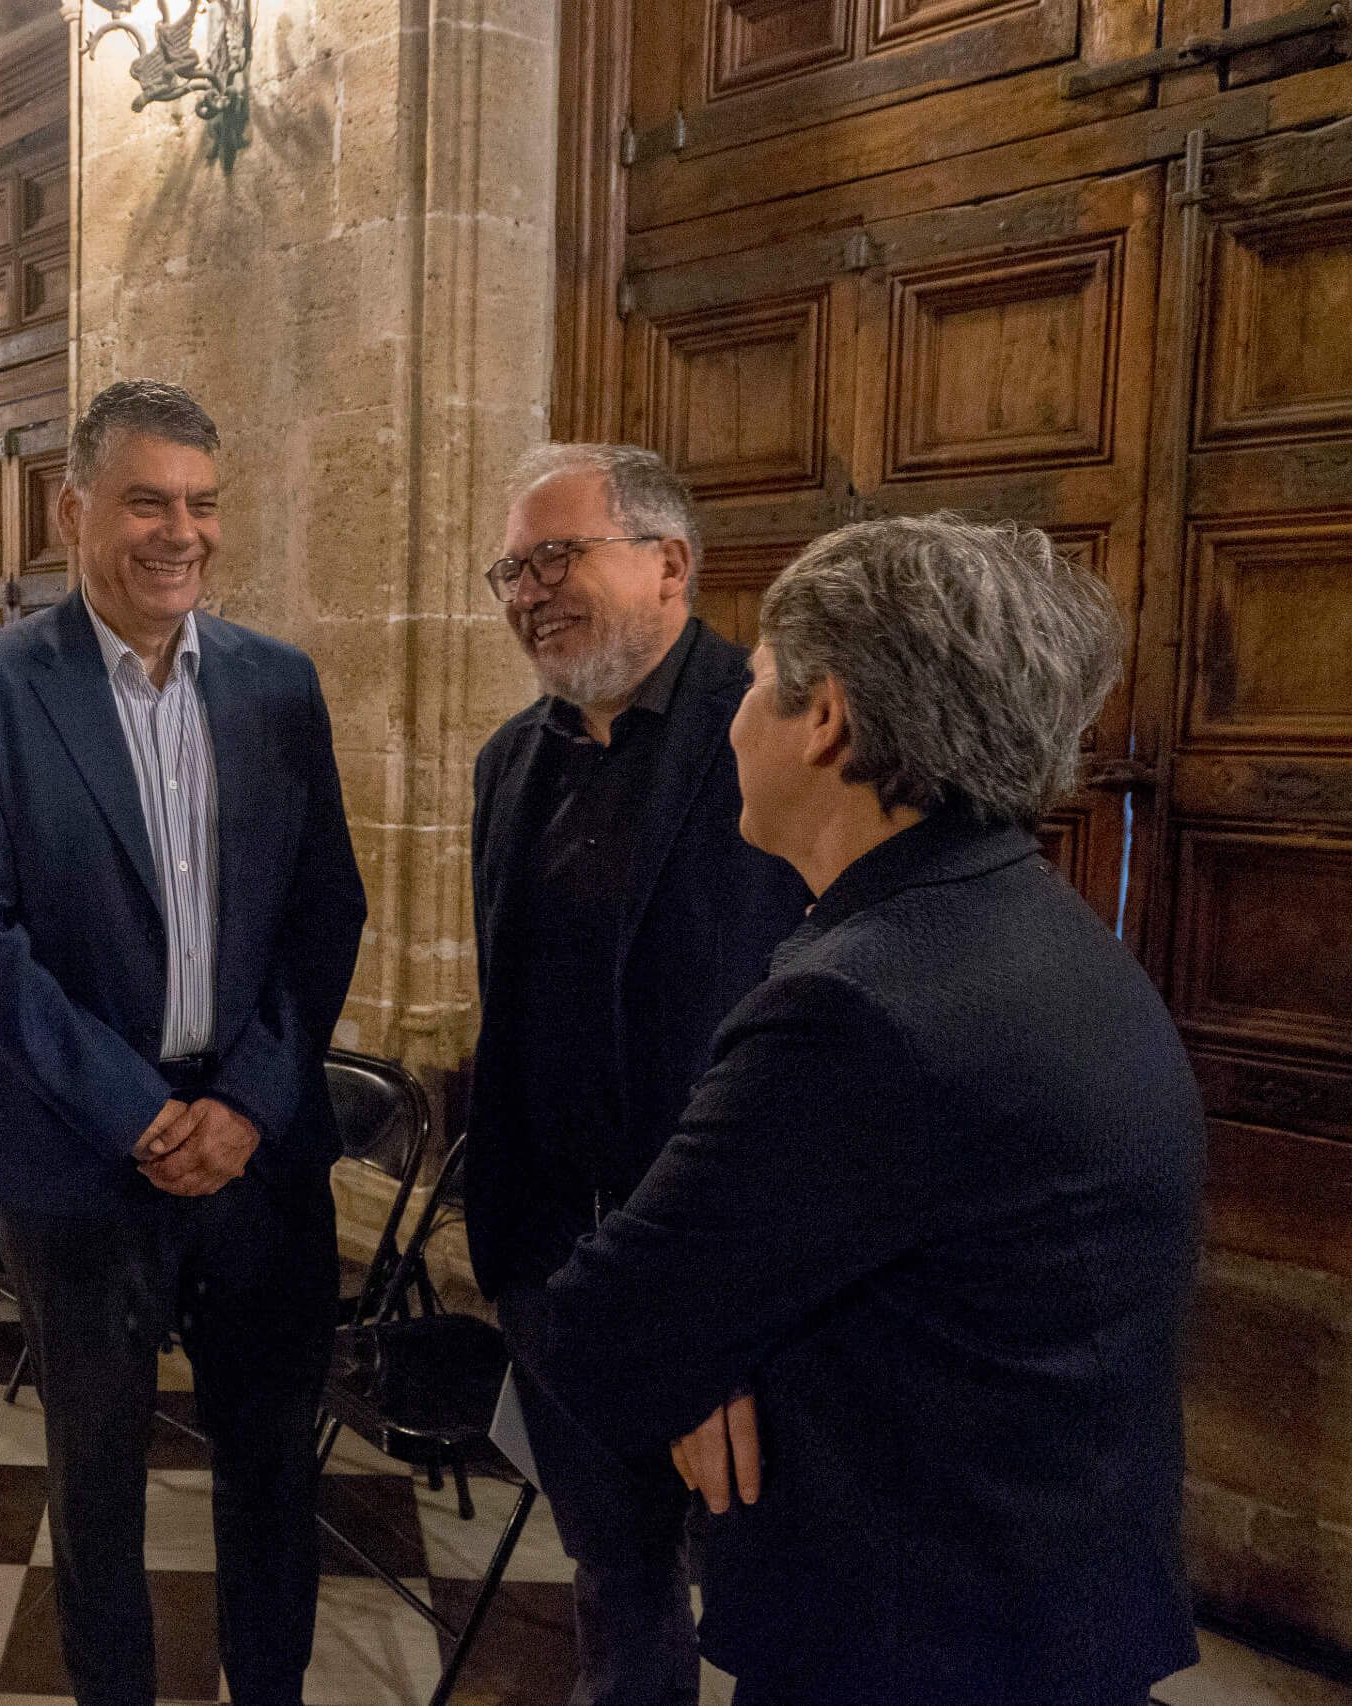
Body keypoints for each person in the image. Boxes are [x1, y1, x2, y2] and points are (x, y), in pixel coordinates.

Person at [531, 515, 1205, 1705]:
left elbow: (604, 1335)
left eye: (752, 686)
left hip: (908, 1640)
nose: (735, 720)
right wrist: (709, 1346)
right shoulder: (1041, 927)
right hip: (1046, 1610)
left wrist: (697, 1349)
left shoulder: (859, 1004)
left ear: (826, 717)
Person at [0, 379, 367, 1706]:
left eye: (203, 504)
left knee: (275, 1454)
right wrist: (137, 1113)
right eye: (149, 501)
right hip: (82, 1148)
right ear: (75, 512)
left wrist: (249, 1101)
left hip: (256, 1148)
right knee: (97, 1472)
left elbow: (322, 910)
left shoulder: (278, 685)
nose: (182, 531)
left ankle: (269, 1687)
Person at [468, 444, 809, 1706]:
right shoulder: (511, 762)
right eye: (512, 566)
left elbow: (800, 1055)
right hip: (557, 1269)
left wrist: (728, 1314)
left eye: (559, 555)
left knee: (781, 1603)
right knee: (616, 1580)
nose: (529, 589)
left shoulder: (777, 732)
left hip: (726, 1282)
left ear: (669, 562)